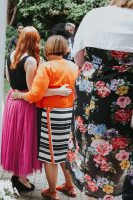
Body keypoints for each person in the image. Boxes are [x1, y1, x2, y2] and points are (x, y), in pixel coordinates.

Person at [66, 0, 133, 199]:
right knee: (123, 147)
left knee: (91, 148)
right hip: (125, 94)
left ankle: (92, 189)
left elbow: (77, 59)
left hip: (92, 92)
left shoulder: (94, 15)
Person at [1, 27, 73, 194]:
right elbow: (34, 90)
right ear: (35, 40)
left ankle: (18, 175)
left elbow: (10, 81)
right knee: (25, 140)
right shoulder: (31, 61)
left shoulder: (11, 55)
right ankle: (21, 178)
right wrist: (58, 91)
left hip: (12, 99)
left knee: (16, 139)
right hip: (25, 103)